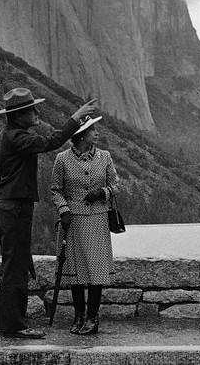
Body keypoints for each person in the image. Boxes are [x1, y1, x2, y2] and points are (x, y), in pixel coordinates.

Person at [0, 87, 97, 339]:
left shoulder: (10, 135)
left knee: (14, 263)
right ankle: (14, 325)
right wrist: (77, 116)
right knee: (17, 266)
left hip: (10, 205)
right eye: (32, 110)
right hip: (14, 207)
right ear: (19, 115)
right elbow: (52, 142)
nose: (37, 112)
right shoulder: (17, 137)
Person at [51, 114, 121, 335]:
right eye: (92, 130)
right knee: (76, 271)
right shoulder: (62, 159)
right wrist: (63, 210)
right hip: (73, 220)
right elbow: (55, 190)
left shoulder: (105, 157)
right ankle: (78, 315)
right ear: (81, 136)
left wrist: (103, 192)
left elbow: (116, 185)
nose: (97, 133)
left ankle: (92, 317)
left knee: (96, 270)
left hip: (98, 218)